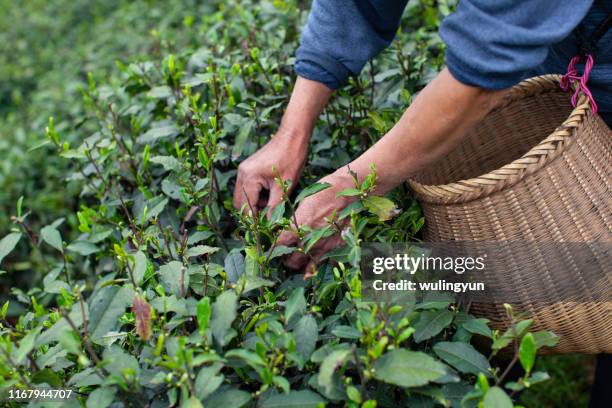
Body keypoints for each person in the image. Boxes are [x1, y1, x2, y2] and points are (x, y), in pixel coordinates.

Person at [233, 1, 611, 405]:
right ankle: (493, 376)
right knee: (505, 272)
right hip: (561, 73)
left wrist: (349, 187)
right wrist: (291, 135)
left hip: (571, 61)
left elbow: (488, 58)